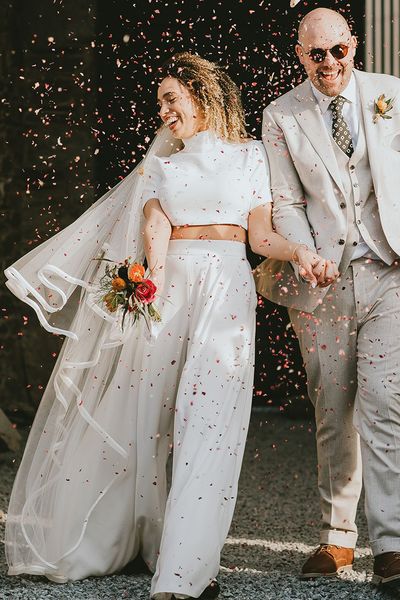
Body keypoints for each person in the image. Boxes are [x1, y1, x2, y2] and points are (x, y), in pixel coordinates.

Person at [4, 52, 324, 599]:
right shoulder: (162, 167)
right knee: (150, 426)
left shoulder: (251, 156)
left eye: (172, 98)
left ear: (203, 95)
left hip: (226, 295)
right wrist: (139, 288)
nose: (165, 111)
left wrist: (300, 252)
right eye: (159, 103)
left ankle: (184, 573)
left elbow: (259, 237)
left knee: (211, 429)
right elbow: (153, 245)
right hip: (171, 297)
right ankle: (150, 541)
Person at [256, 7, 400, 590]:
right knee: (332, 407)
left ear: (353, 46)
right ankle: (338, 538)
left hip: (390, 269)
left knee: (386, 402)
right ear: (300, 55)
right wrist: (304, 253)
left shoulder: (392, 95)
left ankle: (391, 543)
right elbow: (284, 199)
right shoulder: (281, 115)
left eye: (338, 50)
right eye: (316, 54)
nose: (330, 63)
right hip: (322, 282)